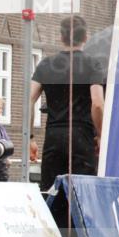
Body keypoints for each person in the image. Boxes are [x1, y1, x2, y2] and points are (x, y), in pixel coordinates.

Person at [30, 15, 104, 192]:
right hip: (82, 136)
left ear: (60, 37)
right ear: (86, 37)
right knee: (82, 193)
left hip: (54, 136)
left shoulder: (46, 64)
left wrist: (30, 137)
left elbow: (28, 101)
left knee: (51, 191)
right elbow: (98, 104)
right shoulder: (91, 64)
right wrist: (100, 134)